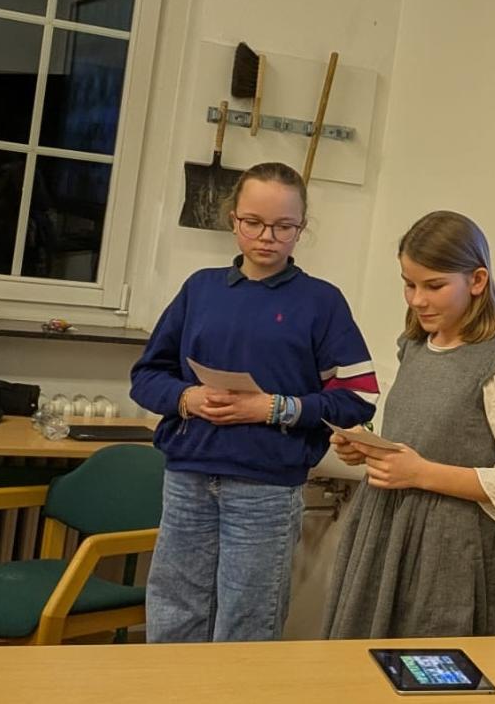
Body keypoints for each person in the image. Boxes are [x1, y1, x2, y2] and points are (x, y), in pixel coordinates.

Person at [130, 161, 379, 642]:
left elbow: (359, 396)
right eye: (254, 223)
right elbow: (146, 376)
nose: (268, 236)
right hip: (188, 477)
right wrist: (188, 397)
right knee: (174, 612)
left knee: (247, 620)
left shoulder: (320, 302)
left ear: (301, 228)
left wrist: (274, 408)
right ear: (233, 220)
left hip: (265, 487)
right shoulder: (200, 290)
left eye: (284, 226)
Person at [322, 210, 495, 638]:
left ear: (477, 281)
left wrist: (421, 473)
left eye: (434, 286)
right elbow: (420, 439)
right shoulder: (415, 348)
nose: (418, 299)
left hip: (447, 551)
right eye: (410, 284)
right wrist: (369, 449)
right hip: (382, 531)